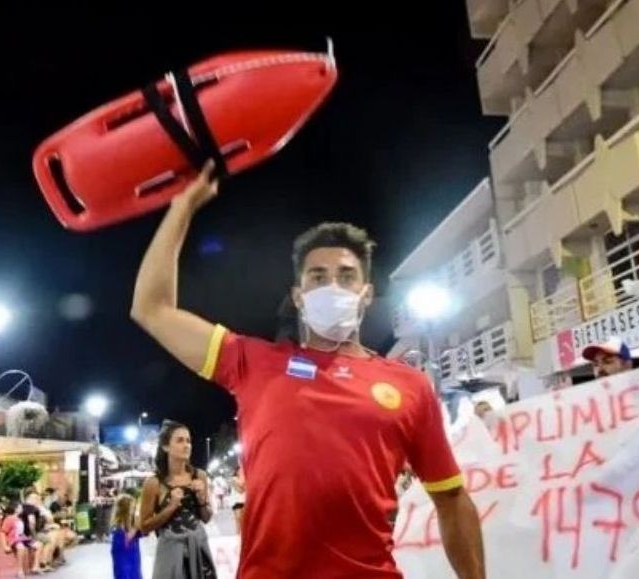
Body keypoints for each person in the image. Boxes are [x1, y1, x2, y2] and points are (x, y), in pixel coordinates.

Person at [130, 162, 485, 578]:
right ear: (298, 296)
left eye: (346, 276)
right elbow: (151, 309)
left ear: (366, 294)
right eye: (318, 277)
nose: (332, 286)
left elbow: (451, 497)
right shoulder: (252, 362)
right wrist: (182, 207)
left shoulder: (409, 385)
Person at [139, 421, 216, 579]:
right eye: (180, 440)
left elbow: (206, 518)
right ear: (166, 447)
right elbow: (144, 527)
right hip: (170, 555)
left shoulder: (199, 475)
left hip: (199, 550)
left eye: (188, 441)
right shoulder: (154, 483)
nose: (186, 445)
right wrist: (170, 507)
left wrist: (202, 500)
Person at [1, 501, 43, 578]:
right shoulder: (9, 519)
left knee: (38, 545)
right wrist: (5, 546)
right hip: (14, 539)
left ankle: (35, 566)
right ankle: (20, 570)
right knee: (21, 548)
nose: (22, 508)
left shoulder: (20, 518)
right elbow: (2, 532)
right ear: (16, 509)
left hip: (22, 538)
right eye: (20, 507)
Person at [110, 494, 142, 579]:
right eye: (132, 508)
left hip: (133, 561)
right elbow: (124, 541)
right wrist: (136, 527)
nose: (134, 510)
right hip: (124, 563)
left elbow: (141, 533)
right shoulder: (117, 527)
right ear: (125, 510)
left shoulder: (130, 523)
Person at [228, 466, 245, 535]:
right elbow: (240, 490)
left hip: (244, 500)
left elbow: (243, 488)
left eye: (242, 471)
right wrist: (243, 484)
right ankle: (238, 535)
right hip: (236, 501)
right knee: (238, 519)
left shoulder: (243, 478)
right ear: (236, 471)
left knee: (244, 520)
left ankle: (243, 536)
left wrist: (242, 485)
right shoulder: (233, 479)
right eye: (239, 471)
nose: (240, 472)